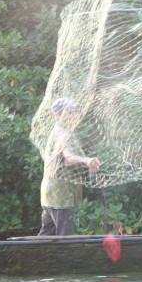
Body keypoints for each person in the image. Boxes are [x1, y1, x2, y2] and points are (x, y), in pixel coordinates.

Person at [38, 97, 101, 236]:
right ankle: (60, 258)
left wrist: (87, 163)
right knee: (64, 237)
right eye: (69, 112)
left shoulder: (58, 130)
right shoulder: (63, 133)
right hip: (61, 195)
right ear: (58, 115)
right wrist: (87, 160)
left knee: (46, 235)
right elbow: (69, 157)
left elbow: (66, 160)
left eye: (75, 112)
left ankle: (33, 257)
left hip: (50, 193)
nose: (75, 115)